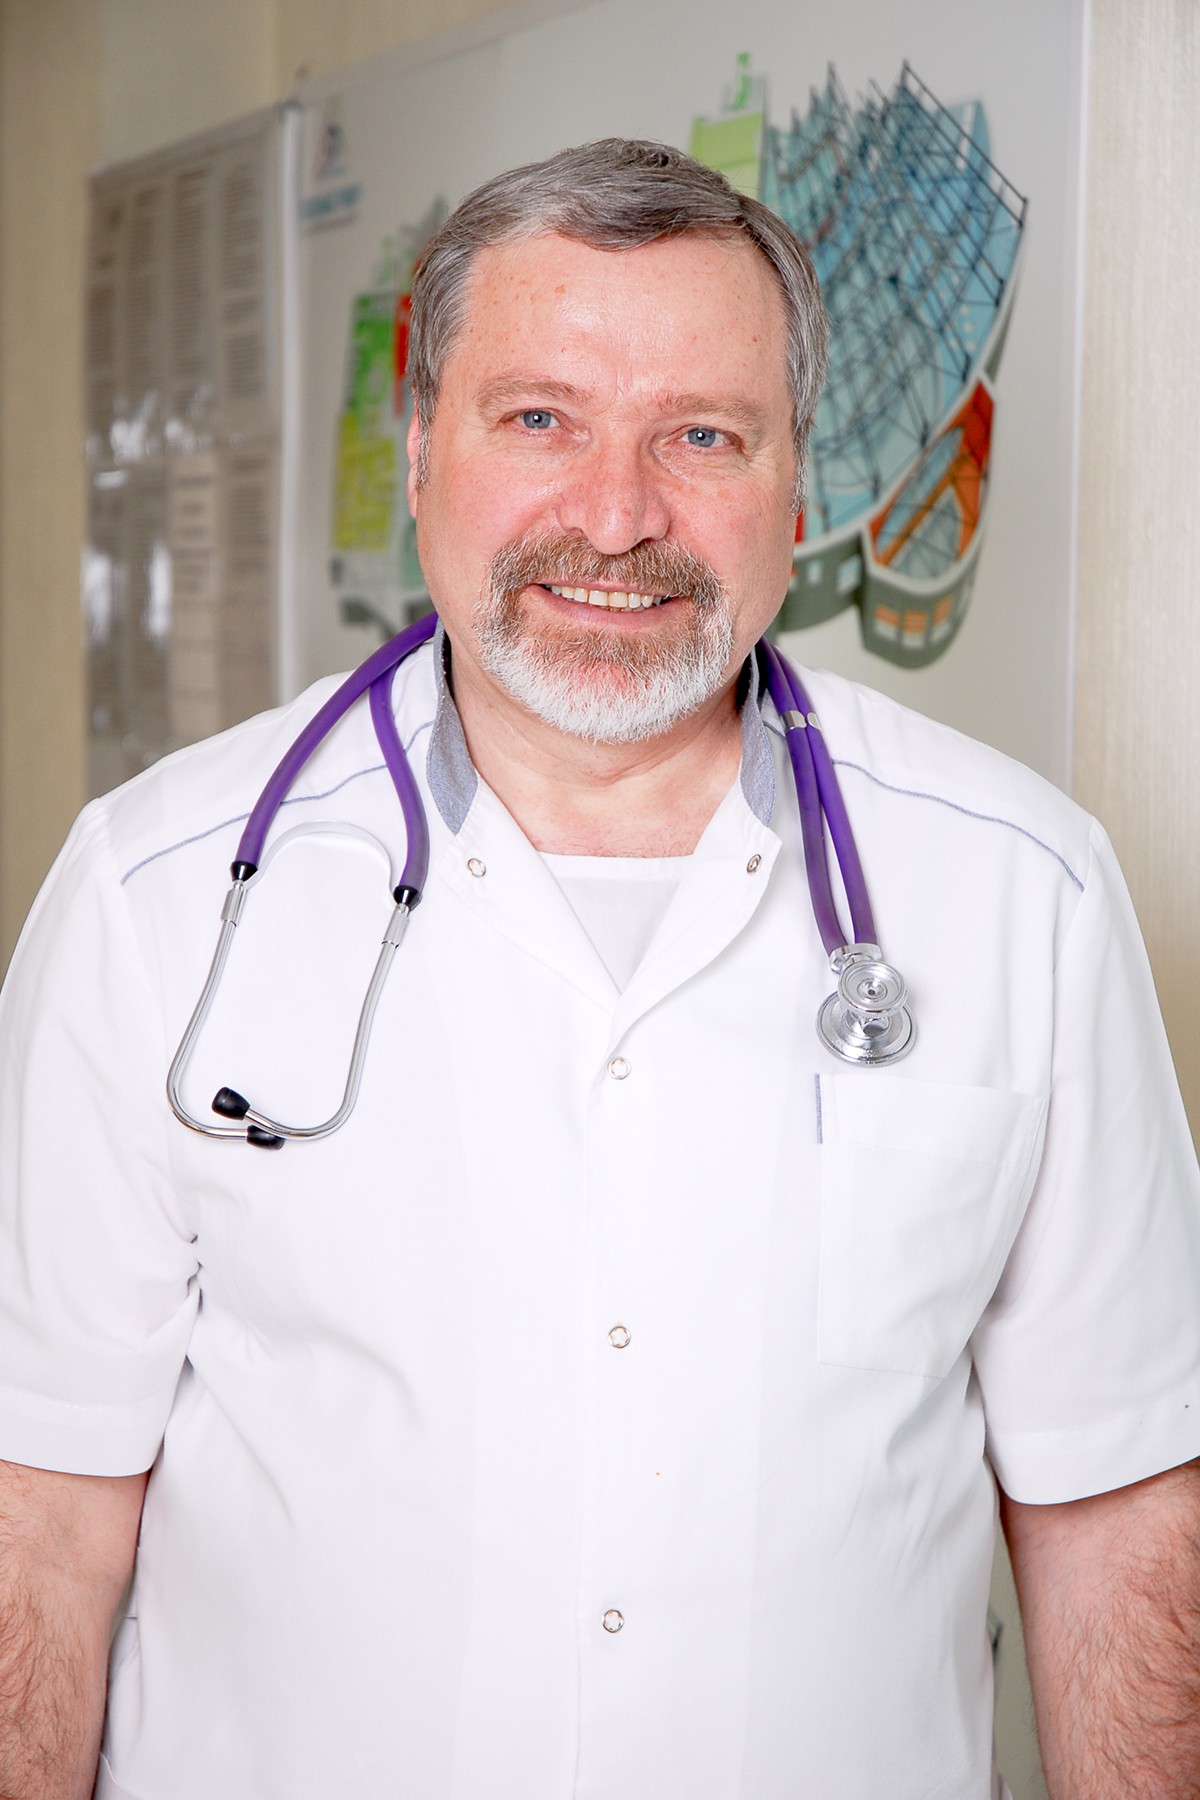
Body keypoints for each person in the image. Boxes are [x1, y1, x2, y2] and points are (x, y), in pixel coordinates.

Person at [1, 138, 1198, 1800]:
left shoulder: (1024, 891)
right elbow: (41, 1513)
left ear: (798, 486)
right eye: (540, 419)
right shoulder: (153, 893)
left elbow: (1119, 1510)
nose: (619, 516)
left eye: (702, 435)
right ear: (423, 447)